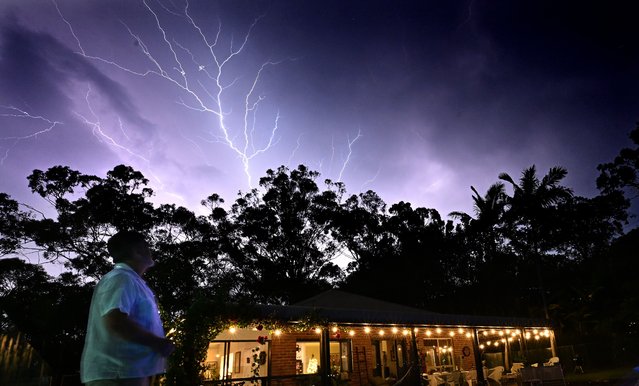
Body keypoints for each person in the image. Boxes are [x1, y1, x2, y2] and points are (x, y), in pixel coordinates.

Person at [81, 231, 175, 386]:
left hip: (127, 374)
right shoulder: (121, 278)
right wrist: (157, 343)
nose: (150, 250)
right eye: (146, 246)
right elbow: (116, 321)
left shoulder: (130, 280)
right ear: (136, 251)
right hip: (118, 375)